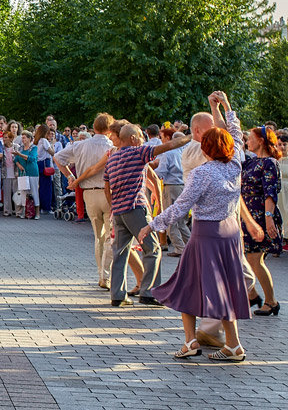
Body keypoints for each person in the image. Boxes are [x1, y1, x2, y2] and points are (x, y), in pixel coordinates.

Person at [138, 92, 261, 362]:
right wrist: (226, 107)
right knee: (226, 287)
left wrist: (152, 225)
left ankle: (192, 341)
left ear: (207, 148)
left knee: (187, 286)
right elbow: (236, 134)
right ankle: (233, 344)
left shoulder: (202, 173)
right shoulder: (236, 164)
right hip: (229, 233)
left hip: (205, 234)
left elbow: (181, 207)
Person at [104, 123, 191, 307]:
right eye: (140, 137)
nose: (143, 140)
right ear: (134, 139)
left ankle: (118, 295)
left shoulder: (112, 158)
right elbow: (167, 146)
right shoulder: (139, 152)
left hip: (119, 211)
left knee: (120, 252)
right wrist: (188, 137)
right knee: (153, 248)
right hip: (136, 208)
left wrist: (113, 205)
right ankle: (149, 292)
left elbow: (106, 186)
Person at [54, 113, 115, 288]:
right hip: (108, 192)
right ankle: (106, 275)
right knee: (111, 236)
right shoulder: (112, 146)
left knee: (99, 236)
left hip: (88, 192)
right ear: (110, 130)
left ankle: (100, 274)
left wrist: (70, 177)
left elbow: (58, 158)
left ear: (94, 128)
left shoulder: (80, 145)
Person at [242, 123, 283, 316]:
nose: (247, 141)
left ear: (260, 141)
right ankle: (253, 295)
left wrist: (268, 219)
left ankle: (271, 301)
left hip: (260, 216)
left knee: (255, 259)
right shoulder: (250, 162)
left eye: (250, 137)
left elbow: (270, 193)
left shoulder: (269, 163)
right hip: (249, 216)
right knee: (245, 258)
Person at [12, 131, 40, 218]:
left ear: (30, 139)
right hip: (23, 173)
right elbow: (16, 159)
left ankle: (37, 213)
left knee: (34, 192)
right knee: (24, 192)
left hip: (32, 173)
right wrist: (18, 164)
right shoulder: (20, 148)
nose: (23, 140)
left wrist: (19, 154)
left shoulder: (33, 148)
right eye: (22, 138)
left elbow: (32, 158)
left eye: (24, 138)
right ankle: (25, 212)